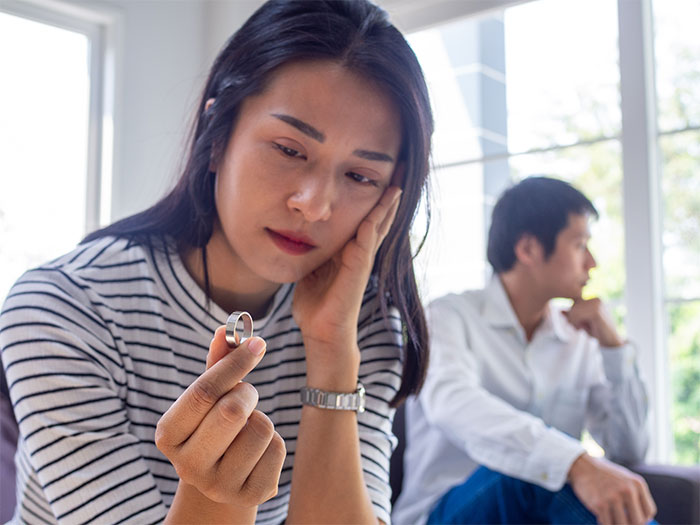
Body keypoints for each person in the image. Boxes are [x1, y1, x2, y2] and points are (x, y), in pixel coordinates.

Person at [0, 1, 433, 522]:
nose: (314, 205)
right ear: (216, 136)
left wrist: (331, 354)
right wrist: (218, 493)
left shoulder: (361, 323)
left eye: (361, 176)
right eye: (289, 150)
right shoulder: (63, 309)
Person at [394, 176, 656, 525]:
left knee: (552, 469)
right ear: (529, 249)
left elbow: (628, 450)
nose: (591, 263)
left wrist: (615, 349)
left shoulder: (578, 338)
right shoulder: (447, 317)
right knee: (535, 468)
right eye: (579, 245)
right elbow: (451, 404)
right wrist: (573, 462)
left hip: (539, 515)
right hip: (445, 512)